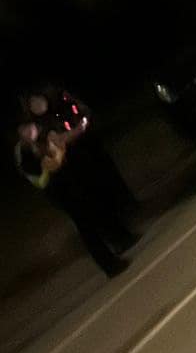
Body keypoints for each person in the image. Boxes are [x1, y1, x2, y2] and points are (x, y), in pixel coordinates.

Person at [13, 89, 139, 279]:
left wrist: (76, 131)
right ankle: (109, 264)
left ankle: (119, 240)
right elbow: (41, 176)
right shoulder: (23, 152)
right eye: (24, 130)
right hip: (59, 190)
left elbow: (59, 141)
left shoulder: (41, 132)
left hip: (70, 179)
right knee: (85, 225)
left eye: (29, 127)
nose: (29, 131)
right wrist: (50, 162)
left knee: (95, 208)